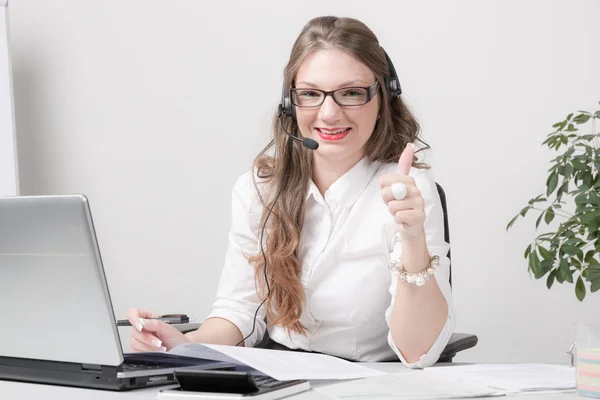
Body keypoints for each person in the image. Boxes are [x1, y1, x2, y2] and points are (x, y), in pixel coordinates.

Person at [128, 15, 454, 368]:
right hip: (278, 376)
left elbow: (417, 351)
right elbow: (240, 310)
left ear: (382, 99)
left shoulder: (409, 193)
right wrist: (184, 344)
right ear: (289, 103)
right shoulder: (260, 190)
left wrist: (413, 239)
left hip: (369, 382)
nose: (329, 113)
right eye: (311, 94)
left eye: (351, 93)